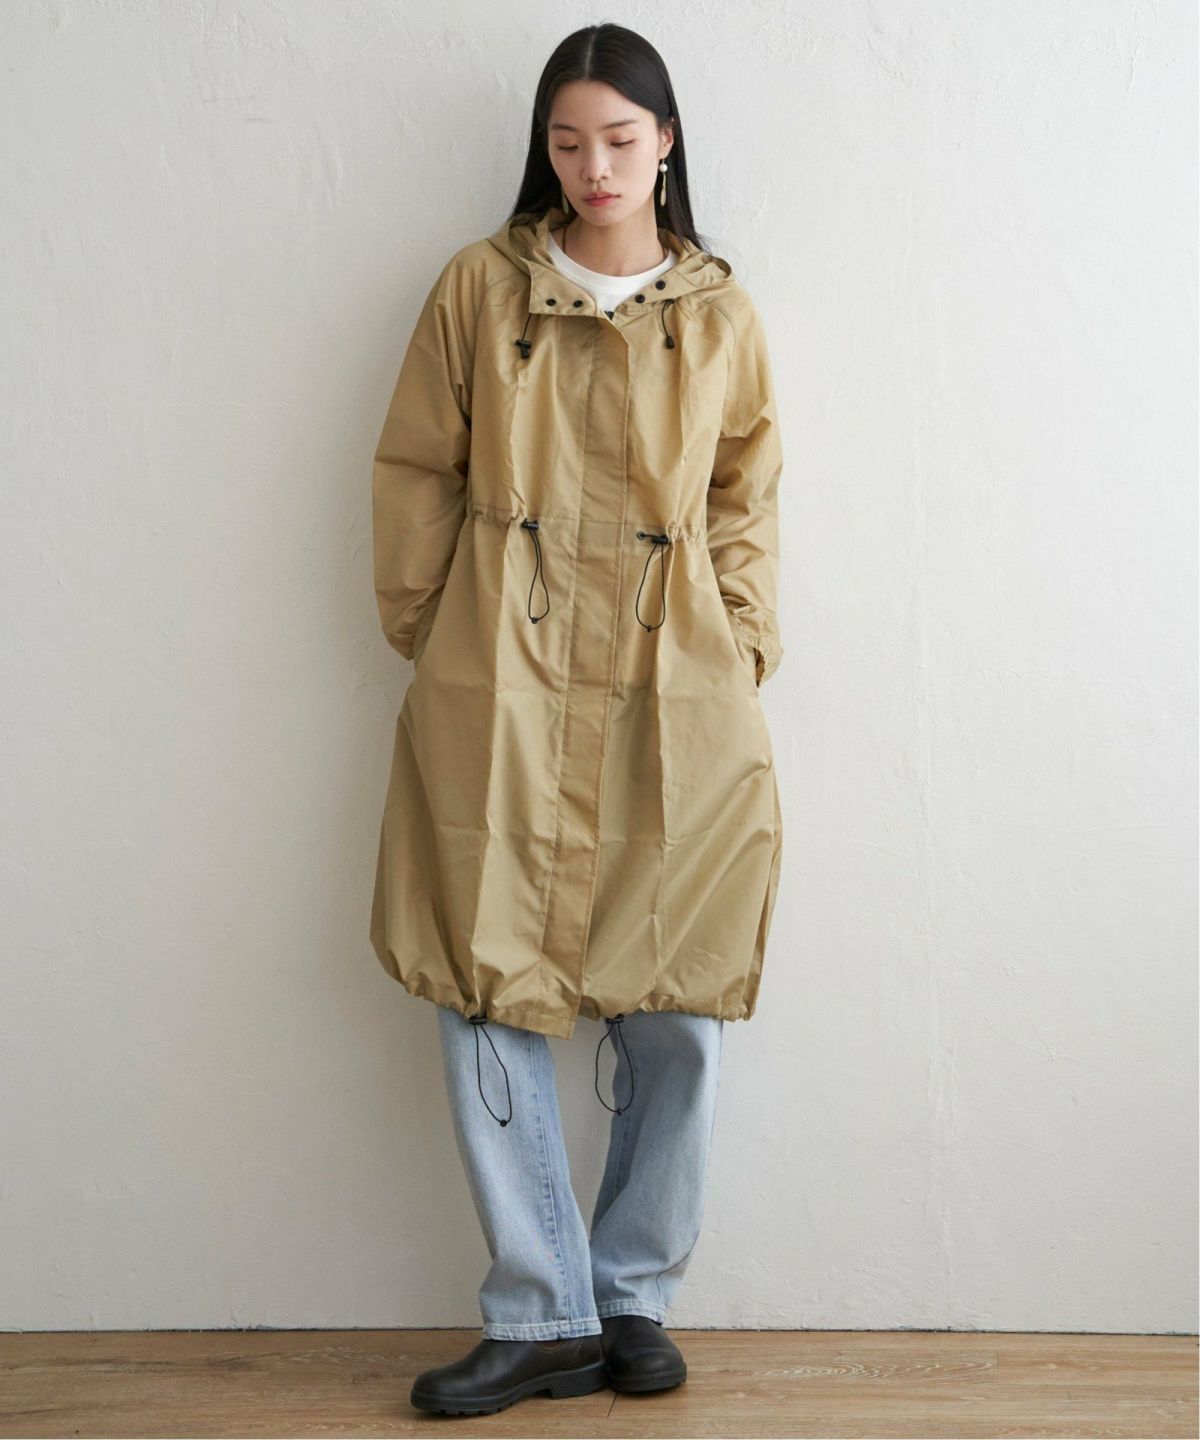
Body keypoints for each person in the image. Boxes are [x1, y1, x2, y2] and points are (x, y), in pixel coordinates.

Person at [369, 22, 785, 1419]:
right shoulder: (479, 289)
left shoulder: (718, 314)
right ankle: (541, 1306)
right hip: (500, 677)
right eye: (567, 141)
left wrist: (743, 641)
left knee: (680, 989)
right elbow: (416, 465)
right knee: (478, 969)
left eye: (618, 138)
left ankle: (633, 1297)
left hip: (677, 684)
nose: (593, 166)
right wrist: (432, 626)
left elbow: (745, 494)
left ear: (665, 143)